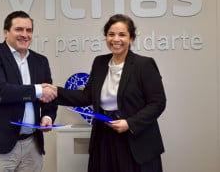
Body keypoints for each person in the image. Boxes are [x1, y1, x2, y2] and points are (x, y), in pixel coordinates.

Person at [46, 14, 166, 172]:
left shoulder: (144, 64)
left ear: (131, 38)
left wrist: (130, 123)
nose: (116, 39)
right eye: (111, 34)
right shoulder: (99, 62)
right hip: (104, 138)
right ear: (106, 37)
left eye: (122, 34)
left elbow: (157, 103)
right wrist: (56, 91)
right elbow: (86, 96)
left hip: (135, 139)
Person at [0, 10, 58, 172]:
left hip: (32, 144)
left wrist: (47, 116)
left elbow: (50, 97)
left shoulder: (40, 61)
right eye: (19, 29)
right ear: (6, 32)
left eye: (29, 30)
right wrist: (39, 90)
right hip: (0, 146)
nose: (25, 34)